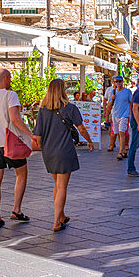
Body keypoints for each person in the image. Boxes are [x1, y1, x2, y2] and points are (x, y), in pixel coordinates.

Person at [31, 79, 93, 232]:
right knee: (62, 187)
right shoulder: (69, 108)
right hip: (64, 150)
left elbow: (37, 135)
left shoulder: (43, 110)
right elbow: (81, 128)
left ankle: (61, 215)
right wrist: (90, 141)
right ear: (63, 90)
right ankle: (56, 222)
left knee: (57, 185)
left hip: (49, 152)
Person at [0, 68, 34, 229]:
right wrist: (30, 134)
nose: (11, 80)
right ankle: (16, 210)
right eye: (9, 77)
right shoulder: (11, 95)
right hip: (11, 143)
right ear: (5, 78)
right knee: (22, 174)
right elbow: (15, 119)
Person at [108, 76, 132, 160]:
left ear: (122, 82)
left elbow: (131, 102)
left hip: (124, 115)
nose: (118, 83)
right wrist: (111, 99)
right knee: (118, 133)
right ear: (114, 83)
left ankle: (120, 152)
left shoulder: (127, 92)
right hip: (115, 115)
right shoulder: (113, 92)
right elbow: (110, 105)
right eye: (116, 81)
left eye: (120, 81)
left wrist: (130, 114)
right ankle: (124, 151)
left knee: (122, 132)